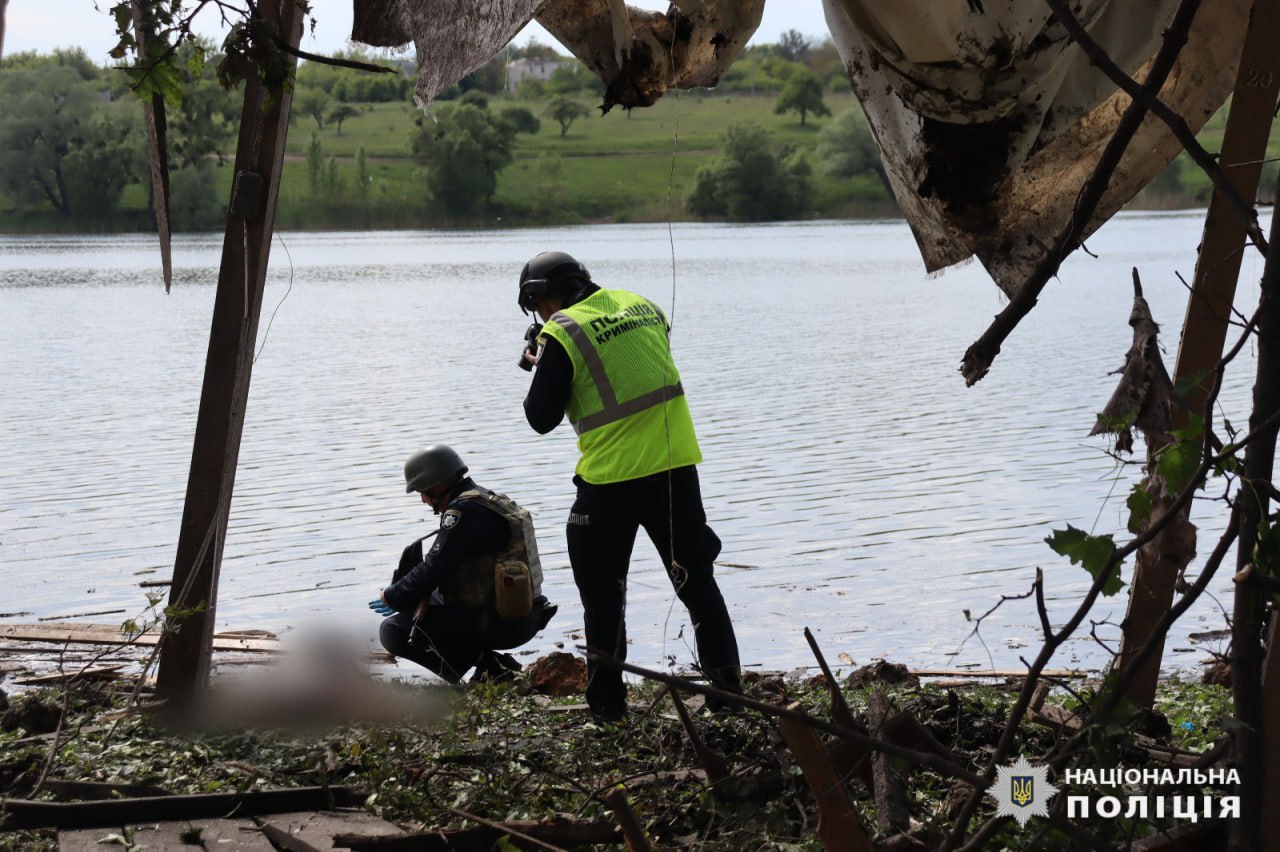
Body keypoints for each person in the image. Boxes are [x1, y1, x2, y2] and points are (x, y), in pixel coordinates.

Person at [517, 250, 742, 720]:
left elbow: (540, 418)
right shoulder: (642, 304)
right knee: (698, 585)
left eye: (535, 306)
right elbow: (627, 361)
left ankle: (607, 709)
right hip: (676, 471)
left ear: (541, 297)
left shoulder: (561, 331)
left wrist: (543, 359)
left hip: (610, 482)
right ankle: (728, 698)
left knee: (602, 598)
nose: (539, 316)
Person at [372, 444, 556, 684]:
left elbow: (432, 569)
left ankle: (487, 667)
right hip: (527, 616)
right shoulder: (488, 500)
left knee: (394, 631)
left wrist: (392, 595)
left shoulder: (463, 511)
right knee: (424, 614)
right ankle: (488, 667)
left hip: (501, 623)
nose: (423, 500)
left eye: (422, 492)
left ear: (436, 484)